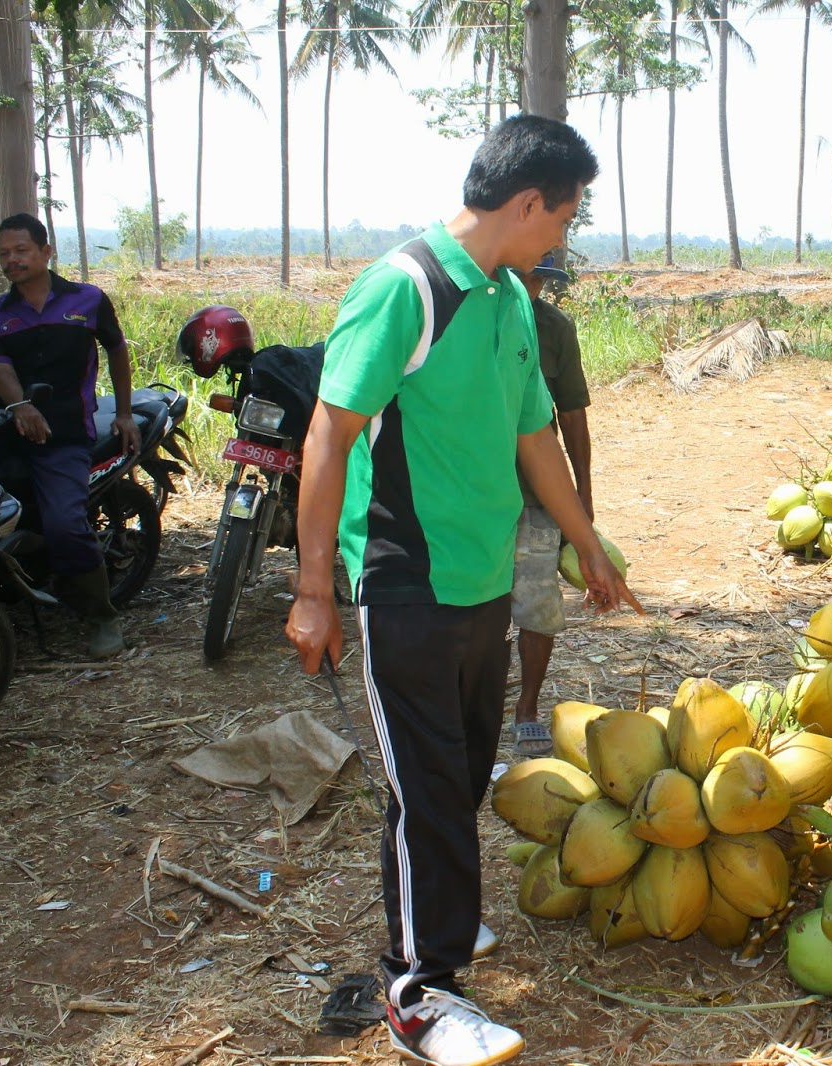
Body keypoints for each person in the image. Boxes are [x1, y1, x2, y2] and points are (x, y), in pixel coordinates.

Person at [284, 116, 640, 1066]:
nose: (563, 236)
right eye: (563, 216)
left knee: (458, 772)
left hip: (483, 580)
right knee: (430, 785)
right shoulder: (405, 288)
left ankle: (433, 911)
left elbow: (535, 438)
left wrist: (587, 544)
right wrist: (314, 589)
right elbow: (327, 434)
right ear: (527, 204)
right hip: (404, 577)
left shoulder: (510, 299)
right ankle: (418, 992)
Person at [0, 213, 139, 659]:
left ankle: (102, 616)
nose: (12, 260)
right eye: (4, 253)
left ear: (46, 252)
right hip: (7, 430)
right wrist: (20, 406)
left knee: (65, 524)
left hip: (65, 434)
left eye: (21, 250)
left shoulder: (88, 300)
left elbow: (117, 350)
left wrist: (124, 413)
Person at [510, 254, 592, 757]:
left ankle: (527, 709)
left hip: (538, 491)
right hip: (473, 492)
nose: (533, 286)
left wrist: (583, 496)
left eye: (541, 279)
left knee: (537, 604)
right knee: (477, 609)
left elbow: (573, 416)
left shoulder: (554, 329)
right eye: (526, 275)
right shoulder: (467, 318)